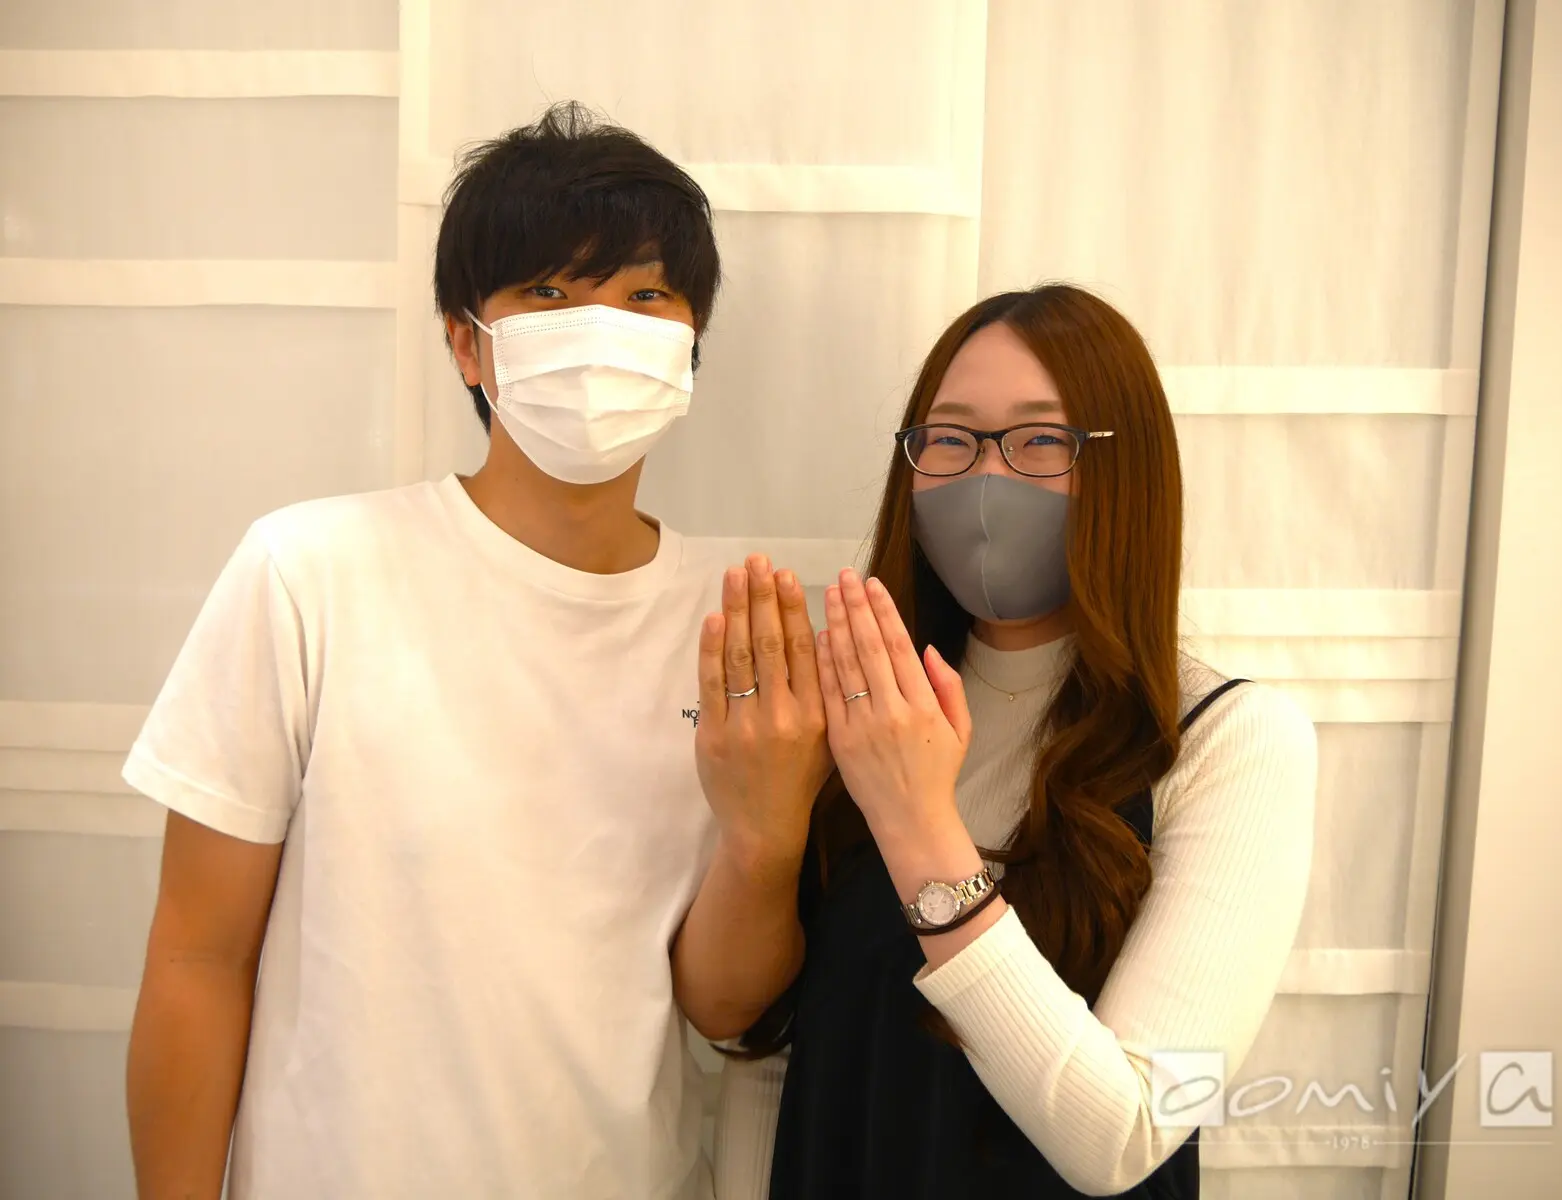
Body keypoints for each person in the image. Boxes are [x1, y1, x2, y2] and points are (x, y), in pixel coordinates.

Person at [121, 102, 827, 1200]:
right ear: (466, 341)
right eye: (548, 294)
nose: (599, 331)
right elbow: (198, 957)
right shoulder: (310, 573)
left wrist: (768, 837)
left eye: (645, 296)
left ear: (690, 348)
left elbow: (723, 1007)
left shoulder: (738, 624)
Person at [701, 284, 1319, 1198]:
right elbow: (774, 1058)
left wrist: (917, 823)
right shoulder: (861, 710)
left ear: (1127, 471)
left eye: (1039, 441)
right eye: (950, 439)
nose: (986, 479)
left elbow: (1127, 1136)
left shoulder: (1230, 741)